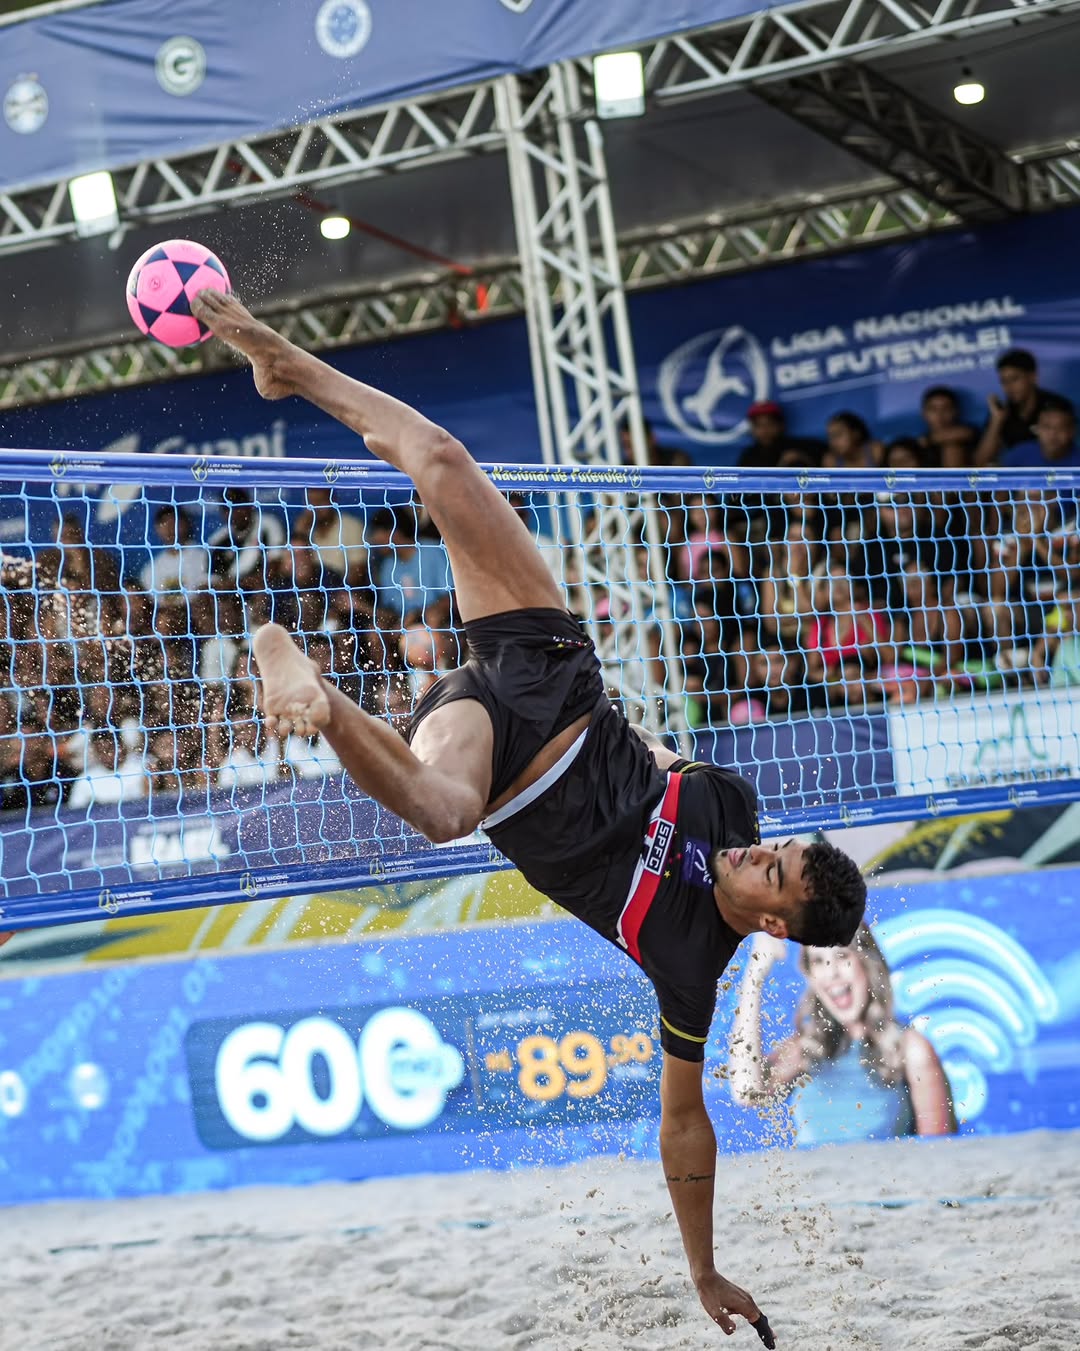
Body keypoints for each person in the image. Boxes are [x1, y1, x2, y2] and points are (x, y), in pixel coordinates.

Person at [191, 287, 868, 1346]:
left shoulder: (689, 967)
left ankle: (314, 693)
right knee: (444, 461)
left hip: (494, 765)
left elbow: (685, 1125)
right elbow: (651, 751)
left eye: (769, 871)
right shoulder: (730, 803)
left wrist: (703, 1268)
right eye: (776, 847)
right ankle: (283, 360)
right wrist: (613, 735)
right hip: (549, 669)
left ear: (772, 922)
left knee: (442, 812)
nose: (755, 849)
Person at [729, 928, 955, 1144]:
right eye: (818, 961)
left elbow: (937, 1155)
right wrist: (755, 975)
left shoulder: (911, 1049)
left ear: (866, 963)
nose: (831, 973)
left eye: (842, 956)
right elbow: (747, 1091)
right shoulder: (805, 1049)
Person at [975, 348, 1066, 465]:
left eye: (1014, 379)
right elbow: (980, 462)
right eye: (1004, 381)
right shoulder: (1001, 411)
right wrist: (997, 421)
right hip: (1016, 473)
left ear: (1032, 377)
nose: (1009, 387)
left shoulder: (1056, 406)